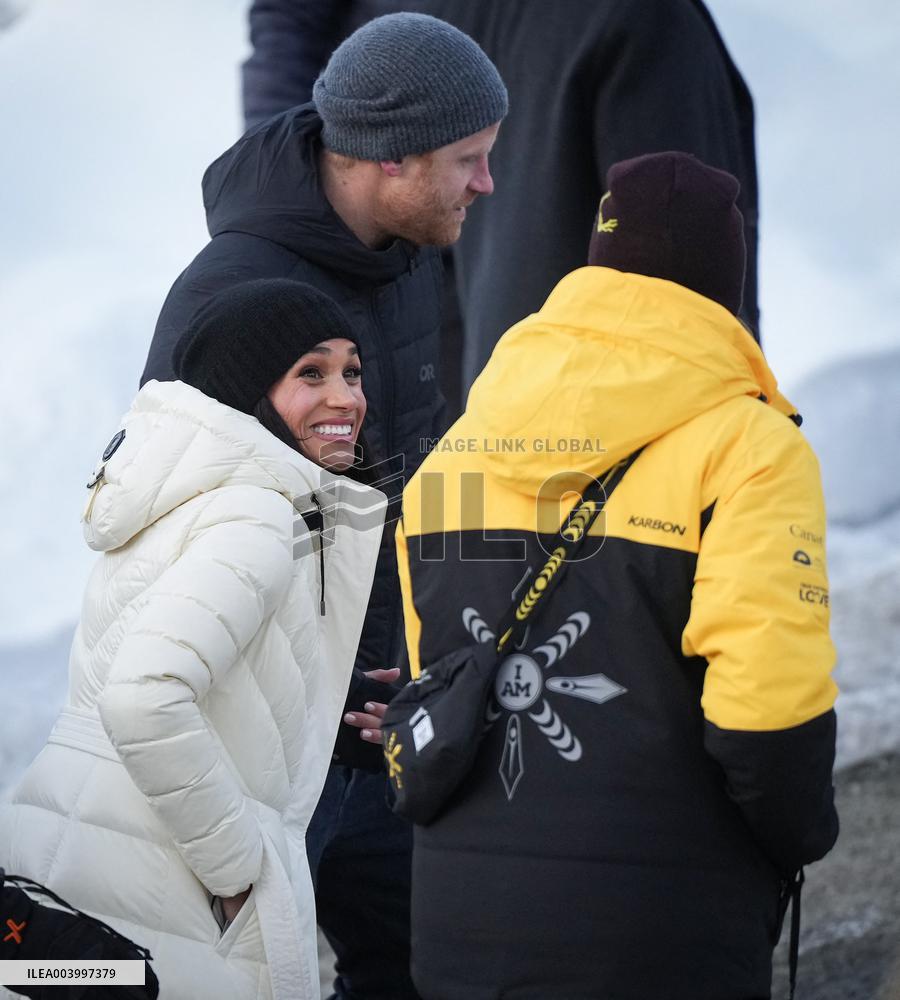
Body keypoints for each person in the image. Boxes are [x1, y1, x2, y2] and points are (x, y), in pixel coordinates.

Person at [395, 152, 838, 999]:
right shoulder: (749, 450)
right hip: (666, 936)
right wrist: (799, 838)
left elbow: (437, 677)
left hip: (457, 934)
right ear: (725, 284)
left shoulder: (452, 453)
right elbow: (767, 715)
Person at [142, 14, 507, 999]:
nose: (488, 184)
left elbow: (426, 457)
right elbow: (155, 536)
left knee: (423, 969)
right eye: (469, 160)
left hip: (377, 729)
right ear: (391, 161)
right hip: (257, 759)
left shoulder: (413, 254)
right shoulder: (238, 297)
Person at [0, 280, 386, 1000]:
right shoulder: (258, 518)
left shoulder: (190, 497)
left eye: (352, 371)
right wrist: (238, 867)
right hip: (157, 888)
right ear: (248, 390)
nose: (346, 398)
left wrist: (321, 707)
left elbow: (188, 661)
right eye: (312, 372)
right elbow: (144, 696)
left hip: (77, 863)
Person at [240, 0, 760, 401]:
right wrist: (300, 168)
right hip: (434, 74)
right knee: (488, 405)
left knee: (670, 329)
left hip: (567, 48)